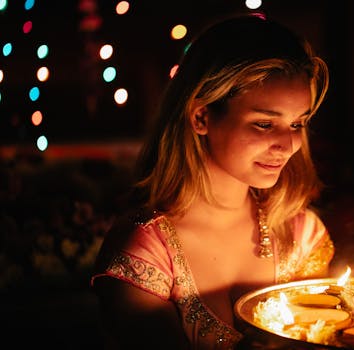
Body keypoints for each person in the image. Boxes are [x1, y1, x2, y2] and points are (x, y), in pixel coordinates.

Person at [90, 12, 334, 350]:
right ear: (201, 116)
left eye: (297, 123)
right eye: (264, 124)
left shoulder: (301, 237)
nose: (288, 144)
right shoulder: (147, 251)